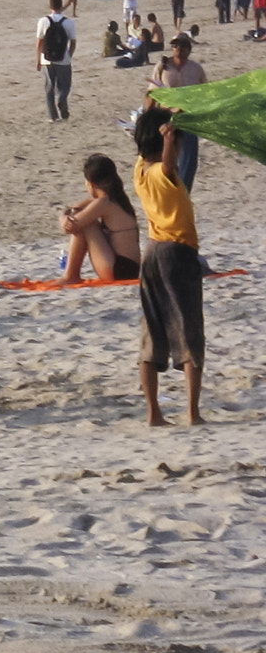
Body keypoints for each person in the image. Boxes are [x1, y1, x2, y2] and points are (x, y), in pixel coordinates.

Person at [132, 107, 204, 427]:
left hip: (152, 254)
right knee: (188, 330)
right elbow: (171, 165)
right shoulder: (165, 173)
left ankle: (153, 413)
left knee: (152, 330)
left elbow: (153, 153)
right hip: (178, 254)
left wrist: (161, 110)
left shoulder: (139, 172)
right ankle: (191, 412)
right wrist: (170, 139)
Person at [60, 153, 140, 282]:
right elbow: (73, 209)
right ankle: (70, 275)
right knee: (83, 219)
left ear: (90, 183)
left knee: (87, 224)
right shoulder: (116, 198)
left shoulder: (104, 203)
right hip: (130, 269)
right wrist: (64, 217)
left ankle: (70, 275)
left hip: (119, 270)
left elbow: (71, 227)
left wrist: (65, 220)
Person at [150, 34, 206, 189]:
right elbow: (151, 93)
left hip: (188, 118)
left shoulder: (196, 69)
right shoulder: (163, 67)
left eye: (182, 46)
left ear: (189, 49)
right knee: (165, 160)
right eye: (175, 46)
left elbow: (204, 94)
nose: (178, 49)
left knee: (188, 161)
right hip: (166, 118)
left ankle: (183, 194)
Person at [35, 0, 77, 121]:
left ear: (50, 6)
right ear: (61, 6)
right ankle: (62, 100)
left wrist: (38, 60)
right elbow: (73, 43)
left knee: (49, 87)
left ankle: (53, 116)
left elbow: (39, 43)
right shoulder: (68, 22)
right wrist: (69, 55)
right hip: (63, 58)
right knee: (65, 85)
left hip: (46, 59)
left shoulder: (43, 21)